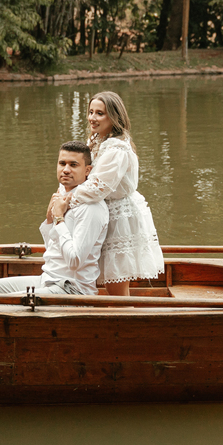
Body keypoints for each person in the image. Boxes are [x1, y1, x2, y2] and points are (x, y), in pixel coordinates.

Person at [68, 91, 164, 296]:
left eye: (100, 113)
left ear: (113, 117)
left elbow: (97, 187)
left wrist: (66, 200)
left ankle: (123, 322)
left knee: (116, 285)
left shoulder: (116, 148)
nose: (92, 118)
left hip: (119, 218)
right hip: (101, 214)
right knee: (104, 279)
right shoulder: (96, 141)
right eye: (91, 112)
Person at [0, 141, 108, 295]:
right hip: (48, 279)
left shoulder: (91, 207)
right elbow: (52, 249)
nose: (66, 170)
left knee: (4, 302)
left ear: (87, 170)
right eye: (62, 163)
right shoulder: (62, 197)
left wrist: (58, 219)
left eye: (73, 165)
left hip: (73, 289)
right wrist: (49, 220)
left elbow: (74, 261)